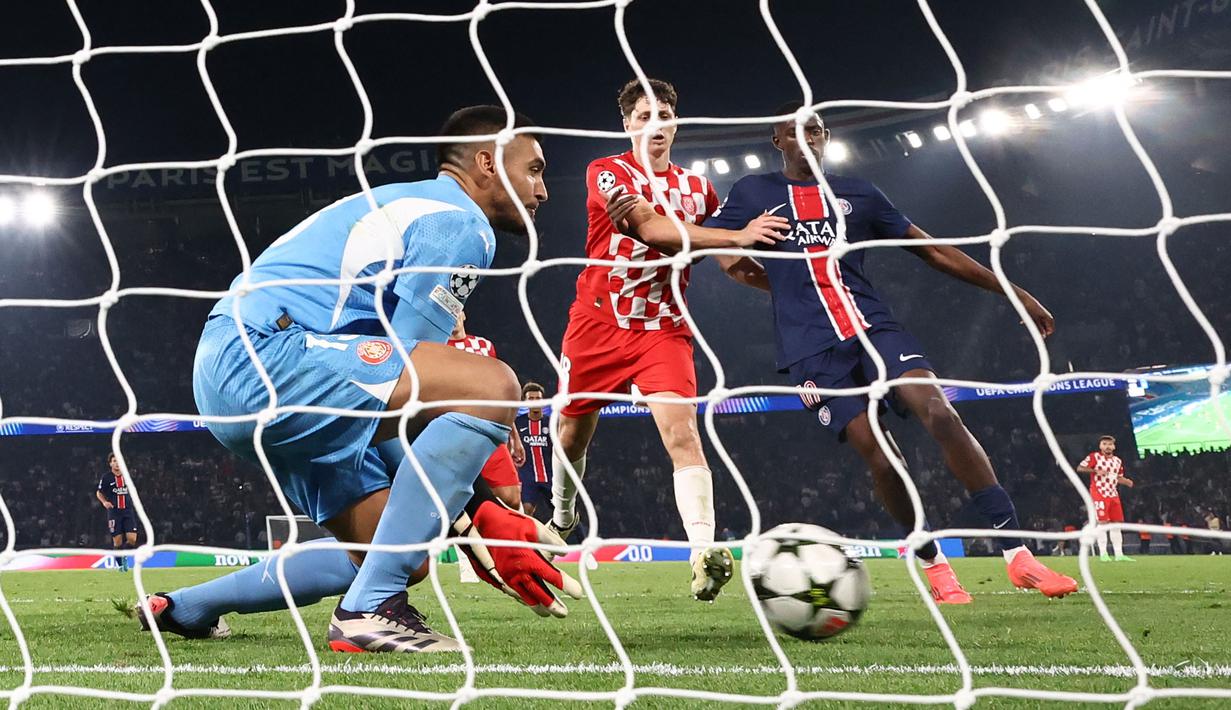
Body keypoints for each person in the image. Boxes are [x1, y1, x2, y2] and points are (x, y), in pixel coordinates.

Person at [136, 106, 579, 653]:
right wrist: (474, 521)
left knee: (397, 554)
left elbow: (401, 397)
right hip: (270, 354)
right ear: (486, 162)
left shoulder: (406, 203)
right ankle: (370, 610)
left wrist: (462, 521)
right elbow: (418, 401)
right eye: (533, 169)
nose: (544, 189)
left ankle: (186, 607)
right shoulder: (459, 221)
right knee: (493, 385)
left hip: (232, 370)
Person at [631, 101, 1079, 601]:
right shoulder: (754, 192)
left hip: (873, 328)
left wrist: (1011, 290)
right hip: (811, 352)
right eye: (795, 131)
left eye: (817, 130)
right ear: (777, 141)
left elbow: (930, 249)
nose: (809, 138)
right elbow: (723, 253)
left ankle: (1017, 555)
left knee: (941, 413)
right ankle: (932, 561)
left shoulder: (858, 193)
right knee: (880, 454)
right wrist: (773, 280)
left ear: (826, 137)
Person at [551, 78, 788, 602]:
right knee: (572, 437)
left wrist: (788, 288)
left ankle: (703, 552)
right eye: (643, 116)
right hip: (596, 324)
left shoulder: (700, 189)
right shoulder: (607, 172)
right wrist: (737, 234)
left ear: (676, 121)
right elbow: (652, 228)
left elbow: (729, 261)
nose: (655, 123)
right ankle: (561, 518)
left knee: (683, 435)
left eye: (664, 113)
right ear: (627, 125)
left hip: (664, 329)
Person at [447, 312, 523, 510]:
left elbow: (498, 393)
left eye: (456, 311)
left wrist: (514, 436)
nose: (453, 317)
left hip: (488, 430)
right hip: (455, 434)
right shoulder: (438, 348)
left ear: (463, 315)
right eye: (448, 313)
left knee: (512, 497)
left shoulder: (483, 346)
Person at [1076, 435, 1134, 561]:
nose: (1107, 446)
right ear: (1100, 446)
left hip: (1113, 493)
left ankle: (1119, 554)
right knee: (1102, 523)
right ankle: (1103, 553)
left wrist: (1127, 482)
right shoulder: (1094, 457)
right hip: (1099, 492)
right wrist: (1095, 471)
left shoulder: (1117, 461)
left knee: (1116, 524)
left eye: (1110, 444)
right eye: (1104, 444)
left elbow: (1118, 477)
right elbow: (1080, 468)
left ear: (1114, 446)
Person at [516, 382, 553, 521]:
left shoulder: (552, 423)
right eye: (531, 399)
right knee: (525, 514)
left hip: (550, 477)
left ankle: (582, 540)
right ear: (525, 402)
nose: (535, 402)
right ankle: (527, 542)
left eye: (538, 398)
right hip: (528, 478)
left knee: (564, 516)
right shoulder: (518, 423)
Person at [96, 453, 137, 572]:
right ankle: (120, 565)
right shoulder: (106, 477)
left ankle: (123, 555)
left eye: (118, 461)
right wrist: (104, 502)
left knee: (132, 539)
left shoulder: (127, 476)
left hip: (128, 511)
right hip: (114, 512)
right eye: (114, 461)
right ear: (110, 463)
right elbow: (99, 492)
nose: (117, 463)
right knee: (117, 542)